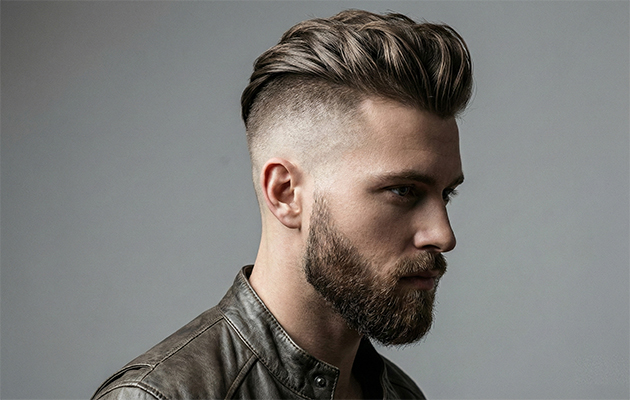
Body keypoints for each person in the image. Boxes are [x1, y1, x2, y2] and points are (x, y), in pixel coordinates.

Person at [92, 9, 472, 400]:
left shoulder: (401, 394)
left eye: (446, 194)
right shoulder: (162, 396)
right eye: (403, 191)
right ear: (285, 193)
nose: (443, 235)